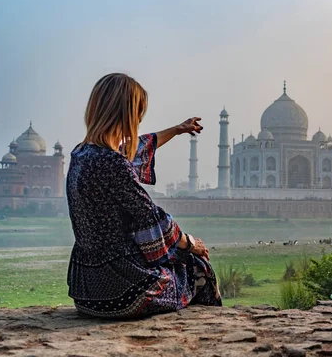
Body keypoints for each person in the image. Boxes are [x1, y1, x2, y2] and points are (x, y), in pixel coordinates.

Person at [66, 73, 221, 319]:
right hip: (123, 291)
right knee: (196, 267)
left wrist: (178, 129)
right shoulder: (113, 163)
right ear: (128, 114)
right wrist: (192, 244)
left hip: (86, 292)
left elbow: (136, 147)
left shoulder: (81, 155)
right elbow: (152, 218)